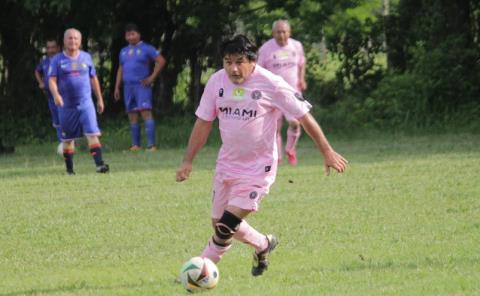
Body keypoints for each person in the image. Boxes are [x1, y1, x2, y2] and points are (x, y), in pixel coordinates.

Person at [176, 35, 347, 277]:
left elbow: (303, 116)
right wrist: (187, 160)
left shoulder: (271, 83)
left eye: (239, 62)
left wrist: (327, 151)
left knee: (225, 227)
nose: (233, 68)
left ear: (253, 61)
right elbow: (203, 122)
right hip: (227, 165)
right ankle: (263, 244)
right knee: (219, 222)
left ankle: (198, 273)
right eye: (228, 62)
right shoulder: (216, 82)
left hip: (258, 169)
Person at [48, 28, 109, 175]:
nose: (73, 41)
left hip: (86, 103)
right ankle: (70, 170)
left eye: (76, 38)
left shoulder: (86, 57)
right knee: (68, 139)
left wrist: (99, 99)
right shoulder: (57, 60)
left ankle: (100, 165)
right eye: (70, 38)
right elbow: (52, 80)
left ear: (80, 41)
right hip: (66, 106)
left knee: (92, 133)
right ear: (64, 41)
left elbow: (93, 79)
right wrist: (56, 95)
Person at [258, 20, 307, 165]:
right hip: (272, 94)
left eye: (284, 31)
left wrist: (302, 79)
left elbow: (302, 63)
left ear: (289, 32)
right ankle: (277, 158)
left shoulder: (296, 46)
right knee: (275, 128)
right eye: (278, 32)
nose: (281, 35)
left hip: (292, 92)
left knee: (295, 123)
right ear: (273, 33)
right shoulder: (266, 48)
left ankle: (290, 150)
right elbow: (259, 70)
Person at [114, 23, 166, 152]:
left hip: (141, 85)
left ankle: (151, 145)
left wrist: (151, 78)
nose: (130, 37)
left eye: (133, 34)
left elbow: (161, 61)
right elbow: (121, 68)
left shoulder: (147, 48)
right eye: (128, 34)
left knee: (145, 112)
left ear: (138, 34)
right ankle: (136, 145)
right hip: (128, 86)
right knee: (132, 114)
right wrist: (117, 87)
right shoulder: (123, 51)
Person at [34, 38, 63, 152]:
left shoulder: (62, 59)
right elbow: (37, 71)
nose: (50, 50)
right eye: (48, 48)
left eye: (53, 47)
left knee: (65, 119)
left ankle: (68, 143)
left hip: (62, 96)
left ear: (58, 48)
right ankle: (62, 143)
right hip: (51, 97)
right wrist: (41, 82)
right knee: (56, 121)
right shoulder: (45, 61)